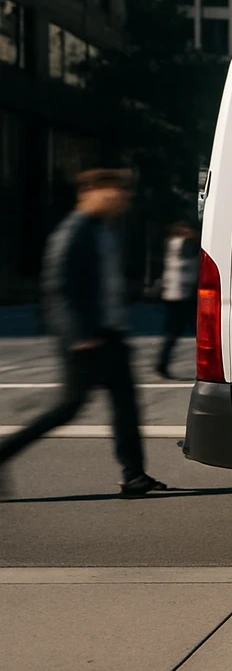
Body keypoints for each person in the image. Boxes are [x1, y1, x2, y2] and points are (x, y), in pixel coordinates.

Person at [0, 169, 168, 499]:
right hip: (86, 339)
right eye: (116, 192)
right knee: (68, 407)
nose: (123, 199)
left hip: (109, 334)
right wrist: (79, 336)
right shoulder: (73, 231)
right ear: (92, 192)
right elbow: (58, 288)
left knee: (126, 407)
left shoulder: (102, 229)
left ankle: (135, 474)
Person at [155, 221, 198, 380]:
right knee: (184, 332)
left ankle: (161, 365)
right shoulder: (183, 244)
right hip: (182, 296)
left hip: (174, 295)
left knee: (173, 334)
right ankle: (161, 365)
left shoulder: (170, 244)